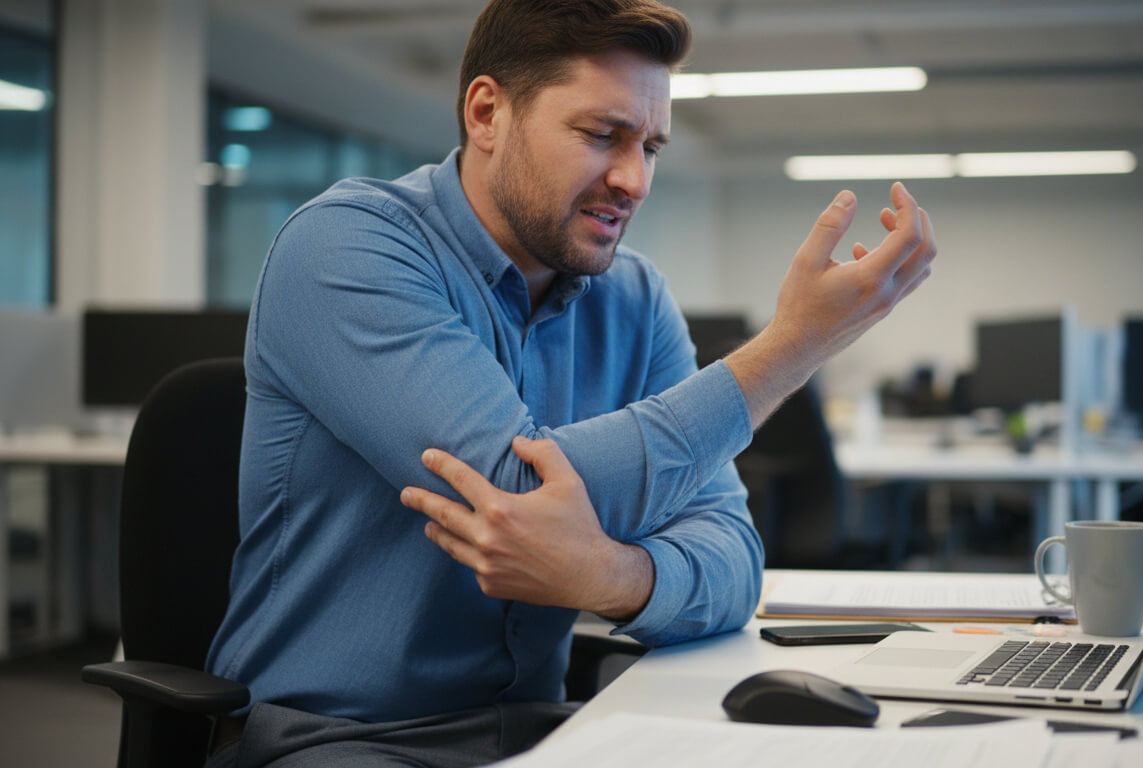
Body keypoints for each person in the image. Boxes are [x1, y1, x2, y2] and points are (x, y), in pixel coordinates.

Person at [204, 0, 936, 765]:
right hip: (338, 739)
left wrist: (612, 577)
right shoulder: (347, 245)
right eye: (601, 135)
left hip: (548, 727)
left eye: (651, 146)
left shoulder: (637, 299)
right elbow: (513, 492)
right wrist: (792, 347)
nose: (634, 179)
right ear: (488, 113)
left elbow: (731, 556)